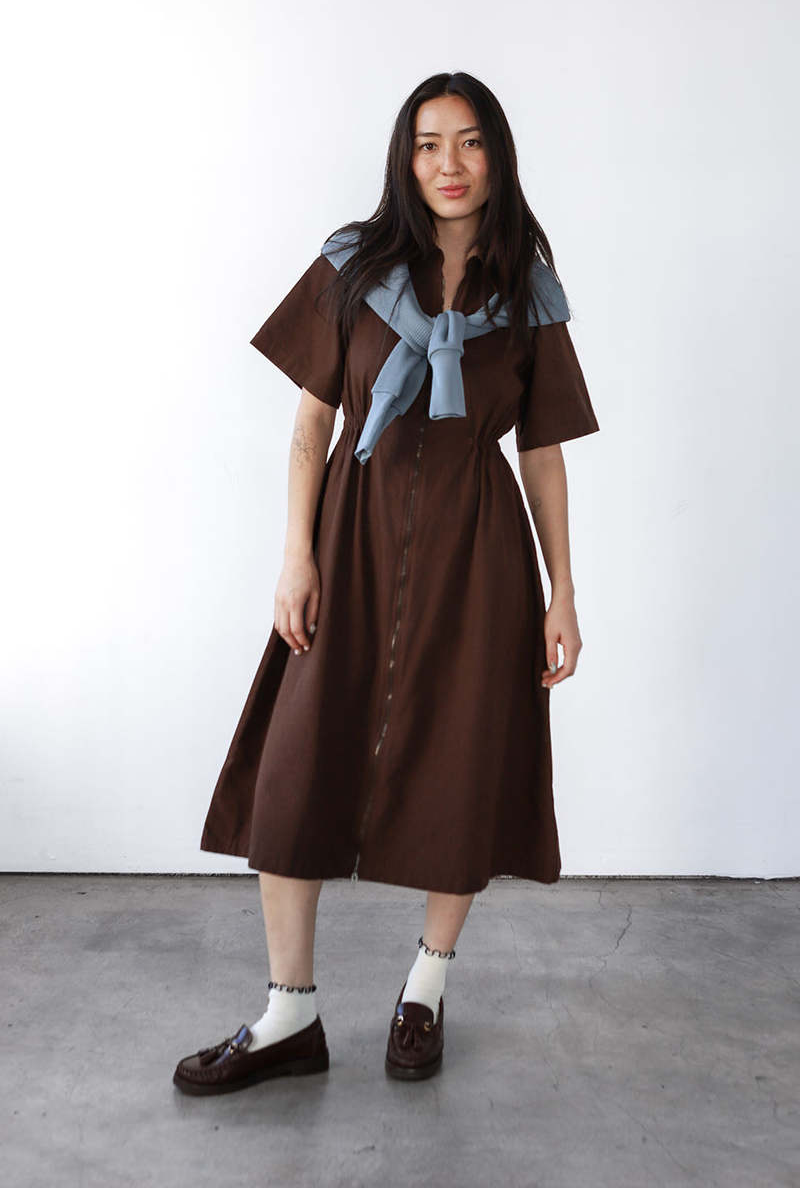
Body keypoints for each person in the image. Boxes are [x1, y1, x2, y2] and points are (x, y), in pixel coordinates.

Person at [173, 70, 600, 1095]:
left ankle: (425, 988)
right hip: (349, 531)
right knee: (295, 767)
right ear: (404, 159)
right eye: (427, 143)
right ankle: (289, 1016)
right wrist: (296, 553)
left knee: (462, 764)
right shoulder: (353, 265)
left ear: (496, 156)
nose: (449, 164)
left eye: (469, 141)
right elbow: (312, 419)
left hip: (477, 550)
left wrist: (563, 591)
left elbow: (541, 450)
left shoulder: (525, 288)